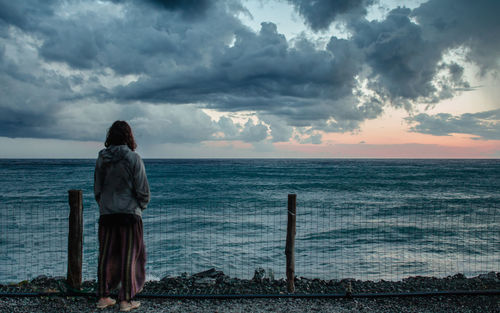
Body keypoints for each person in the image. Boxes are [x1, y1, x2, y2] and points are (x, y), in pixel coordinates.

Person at [94, 120, 150, 312]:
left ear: (111, 136)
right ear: (129, 136)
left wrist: (104, 205)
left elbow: (97, 188)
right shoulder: (133, 158)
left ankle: (103, 296)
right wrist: (140, 207)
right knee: (130, 256)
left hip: (107, 213)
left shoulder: (102, 157)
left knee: (105, 255)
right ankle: (125, 300)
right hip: (129, 214)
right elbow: (142, 189)